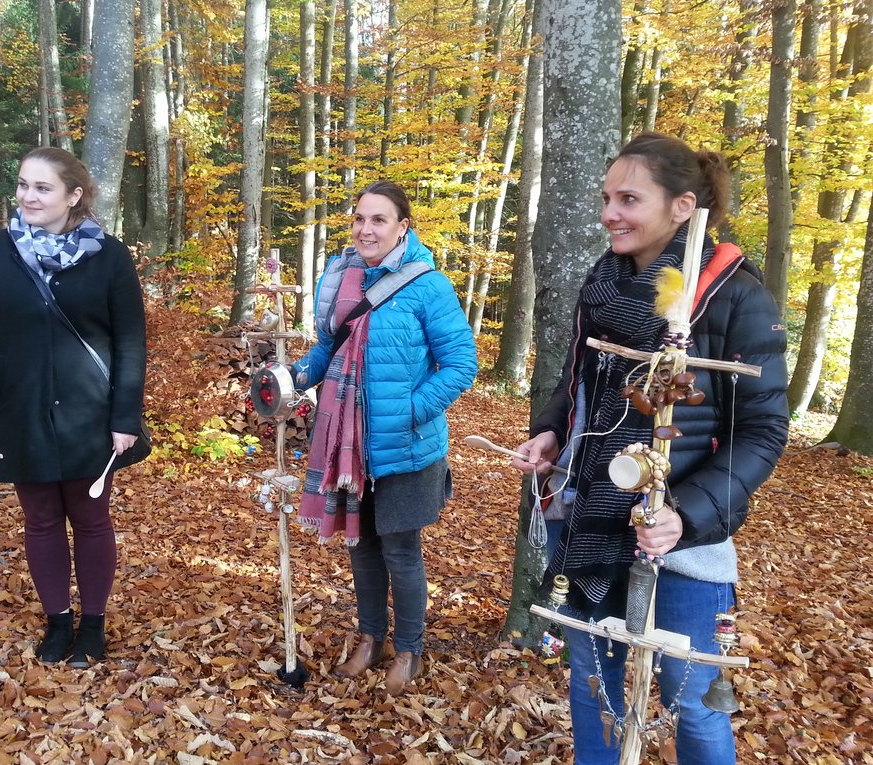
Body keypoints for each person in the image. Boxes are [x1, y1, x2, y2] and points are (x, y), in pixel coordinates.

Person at [512, 133, 788, 764]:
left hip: (683, 539)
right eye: (607, 198)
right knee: (594, 685)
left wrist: (684, 514)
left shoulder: (736, 296)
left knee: (692, 700)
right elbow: (578, 382)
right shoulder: (603, 282)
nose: (610, 213)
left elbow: (762, 431)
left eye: (629, 199)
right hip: (591, 516)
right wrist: (553, 430)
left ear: (682, 207)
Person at [0, 147, 146, 668]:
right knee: (39, 519)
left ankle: (93, 625)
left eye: (42, 187)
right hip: (20, 407)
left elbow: (130, 340)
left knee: (91, 517)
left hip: (90, 411)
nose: (28, 196)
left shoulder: (110, 256)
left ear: (73, 195)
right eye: (22, 185)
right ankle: (58, 622)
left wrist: (125, 416)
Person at [292, 180, 477, 695]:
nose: (365, 229)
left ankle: (410, 649)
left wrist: (411, 411)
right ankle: (371, 638)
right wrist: (292, 378)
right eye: (359, 218)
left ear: (402, 227)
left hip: (407, 447)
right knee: (362, 546)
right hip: (347, 444)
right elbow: (328, 349)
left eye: (378, 219)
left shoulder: (428, 285)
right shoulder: (341, 278)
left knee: (400, 550)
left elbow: (461, 364)